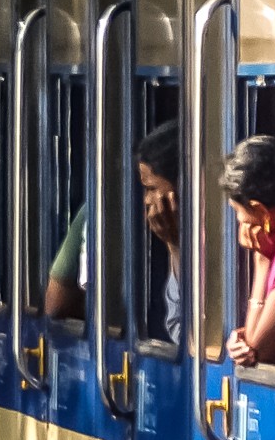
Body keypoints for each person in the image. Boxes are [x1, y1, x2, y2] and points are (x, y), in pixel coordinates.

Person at [42, 121, 184, 339]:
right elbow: (56, 305)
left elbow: (185, 333)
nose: (146, 200)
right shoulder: (101, 213)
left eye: (152, 188)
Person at [220, 134, 275, 368]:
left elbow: (258, 347)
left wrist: (262, 261)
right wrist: (241, 335)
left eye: (239, 213)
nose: (239, 222)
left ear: (261, 212)